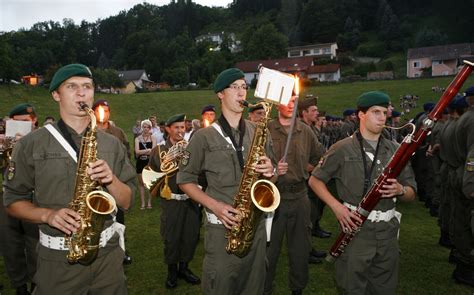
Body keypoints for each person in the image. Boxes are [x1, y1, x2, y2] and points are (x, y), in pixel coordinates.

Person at [3, 63, 137, 294]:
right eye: (72, 87)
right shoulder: (31, 144)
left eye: (87, 86)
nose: (81, 93)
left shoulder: (112, 144)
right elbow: (12, 201)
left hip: (108, 258)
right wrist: (48, 215)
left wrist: (111, 180)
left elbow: (127, 201)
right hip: (57, 261)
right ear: (56, 94)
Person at [177, 68, 275, 294]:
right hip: (222, 229)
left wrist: (271, 170)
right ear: (220, 93)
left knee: (255, 286)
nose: (242, 93)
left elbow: (273, 175)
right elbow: (185, 179)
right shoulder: (203, 136)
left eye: (244, 87)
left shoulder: (259, 130)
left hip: (256, 227)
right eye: (235, 87)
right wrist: (215, 206)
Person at [309, 91, 417, 294]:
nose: (383, 117)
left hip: (388, 232)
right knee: (352, 287)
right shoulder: (342, 148)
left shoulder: (397, 150)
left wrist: (401, 190)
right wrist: (336, 207)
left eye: (385, 112)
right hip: (357, 231)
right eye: (376, 112)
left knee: (385, 288)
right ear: (361, 115)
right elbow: (315, 179)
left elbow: (412, 193)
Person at [264, 95, 325, 295]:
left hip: (299, 197)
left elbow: (319, 157)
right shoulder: (266, 130)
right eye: (286, 100)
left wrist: (307, 170)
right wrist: (271, 169)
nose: (290, 105)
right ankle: (265, 288)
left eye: (294, 101)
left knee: (299, 250)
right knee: (268, 251)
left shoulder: (305, 131)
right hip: (272, 198)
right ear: (276, 103)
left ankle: (297, 288)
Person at [149, 114, 201, 289]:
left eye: (182, 127)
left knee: (190, 235)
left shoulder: (192, 148)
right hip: (171, 201)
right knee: (172, 237)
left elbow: (200, 171)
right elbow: (152, 173)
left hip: (191, 200)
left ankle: (184, 268)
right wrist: (169, 161)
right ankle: (172, 270)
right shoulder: (159, 150)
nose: (180, 130)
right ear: (168, 129)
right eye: (176, 127)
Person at [0, 103, 39, 295]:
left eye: (26, 122)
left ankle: (36, 284)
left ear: (34, 122)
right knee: (10, 245)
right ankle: (19, 286)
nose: (21, 127)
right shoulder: (5, 142)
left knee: (35, 246)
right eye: (16, 123)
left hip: (34, 199)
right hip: (7, 199)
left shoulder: (42, 141)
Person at [92, 99, 133, 265]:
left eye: (106, 110)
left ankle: (121, 250)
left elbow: (126, 153)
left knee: (119, 219)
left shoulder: (118, 132)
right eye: (100, 110)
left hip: (115, 184)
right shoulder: (89, 131)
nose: (104, 113)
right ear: (94, 112)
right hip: (94, 184)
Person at [452, 86, 474, 286]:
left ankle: (463, 262)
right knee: (467, 223)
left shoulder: (464, 119)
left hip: (461, 173)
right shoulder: (472, 119)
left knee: (462, 219)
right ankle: (466, 266)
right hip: (468, 177)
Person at [135, 119, 157, 209]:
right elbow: (137, 151)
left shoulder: (153, 138)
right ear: (142, 128)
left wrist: (144, 152)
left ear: (150, 128)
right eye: (144, 127)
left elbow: (154, 151)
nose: (146, 129)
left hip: (149, 162)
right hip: (140, 163)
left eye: (148, 127)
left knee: (149, 183)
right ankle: (143, 203)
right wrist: (147, 150)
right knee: (141, 183)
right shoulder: (138, 139)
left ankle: (149, 202)